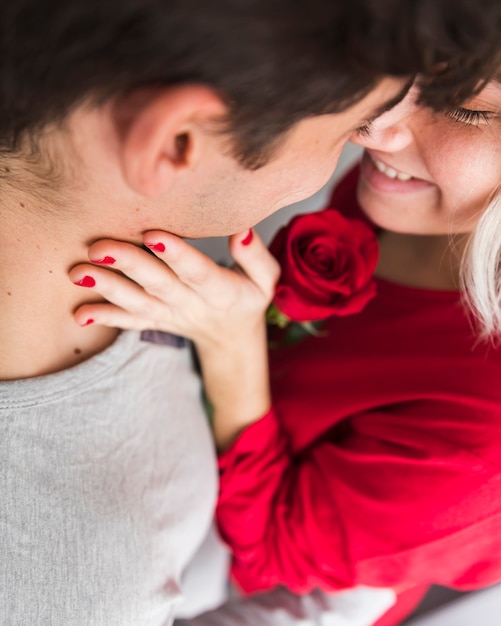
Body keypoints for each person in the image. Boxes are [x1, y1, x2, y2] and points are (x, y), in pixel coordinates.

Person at [2, 1, 501, 625]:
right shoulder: (404, 198)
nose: (373, 127)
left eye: (466, 108)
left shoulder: (484, 452)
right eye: (409, 77)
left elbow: (276, 565)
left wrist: (232, 348)